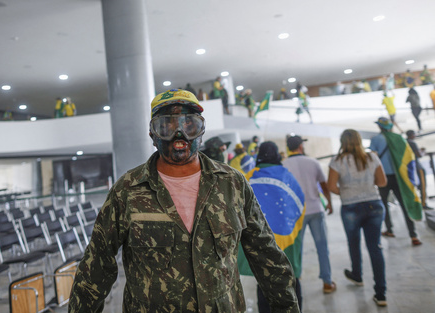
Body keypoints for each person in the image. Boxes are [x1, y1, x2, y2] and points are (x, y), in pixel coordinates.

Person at [68, 89, 299, 312]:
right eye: (166, 126)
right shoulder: (127, 190)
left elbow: (267, 255)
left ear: (201, 130)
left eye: (189, 124)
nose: (179, 135)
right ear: (152, 134)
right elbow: (95, 268)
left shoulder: (232, 184)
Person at [241, 141, 306, 312]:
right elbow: (300, 204)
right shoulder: (288, 176)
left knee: (264, 279)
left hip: (262, 241)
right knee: (291, 279)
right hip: (288, 237)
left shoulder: (249, 177)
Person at [327, 129, 388, 307]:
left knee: (354, 243)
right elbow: (382, 182)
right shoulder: (372, 158)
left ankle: (357, 275)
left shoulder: (337, 161)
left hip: (351, 207)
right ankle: (381, 294)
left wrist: (346, 192)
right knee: (375, 248)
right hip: (374, 205)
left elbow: (331, 186)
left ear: (342, 141)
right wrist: (366, 185)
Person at [282, 135, 336, 294]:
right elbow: (324, 185)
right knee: (322, 247)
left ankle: (295, 280)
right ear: (300, 146)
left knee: (295, 248)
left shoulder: (283, 165)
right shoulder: (312, 162)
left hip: (296, 214)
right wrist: (329, 202)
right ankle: (327, 283)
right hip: (315, 210)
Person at [369, 117, 422, 246]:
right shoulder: (399, 138)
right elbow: (408, 156)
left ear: (380, 127)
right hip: (399, 177)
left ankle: (389, 229)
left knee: (384, 204)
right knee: (404, 204)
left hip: (383, 178)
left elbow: (373, 159)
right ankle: (413, 235)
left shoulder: (376, 139)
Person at [406, 130, 433, 210]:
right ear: (412, 135)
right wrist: (422, 151)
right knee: (423, 186)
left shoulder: (405, 142)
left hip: (410, 167)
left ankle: (416, 203)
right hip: (418, 167)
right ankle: (423, 204)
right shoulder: (412, 143)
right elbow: (419, 155)